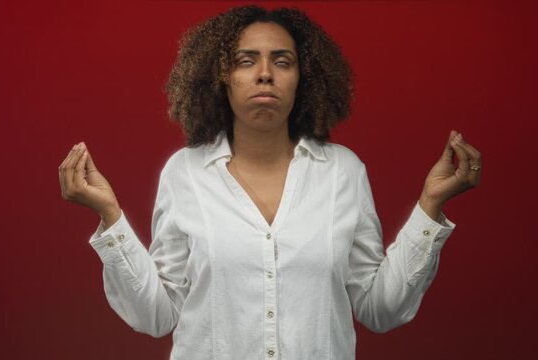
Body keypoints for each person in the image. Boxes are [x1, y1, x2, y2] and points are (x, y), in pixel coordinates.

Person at [58, 5, 481, 360]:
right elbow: (158, 315)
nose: (265, 74)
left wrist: (430, 206)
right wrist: (110, 217)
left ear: (304, 78)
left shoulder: (343, 173)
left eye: (282, 61)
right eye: (246, 61)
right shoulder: (183, 172)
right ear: (222, 77)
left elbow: (380, 309)